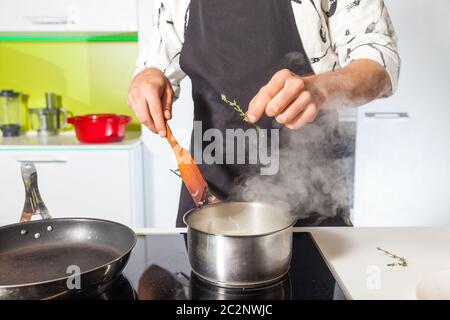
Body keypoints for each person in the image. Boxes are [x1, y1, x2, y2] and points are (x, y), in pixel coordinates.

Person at [128, 0, 400, 227]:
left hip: (313, 204)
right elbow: (159, 60)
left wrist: (320, 89)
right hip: (207, 198)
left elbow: (378, 66)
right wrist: (149, 76)